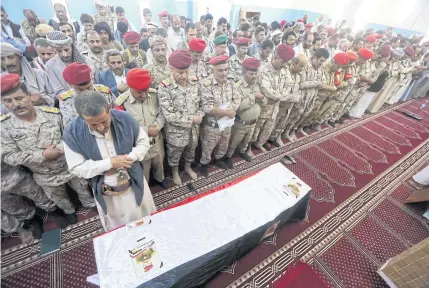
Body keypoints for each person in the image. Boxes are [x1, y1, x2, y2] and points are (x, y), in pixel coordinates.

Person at [1, 74, 95, 226]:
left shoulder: (53, 114)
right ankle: (69, 212)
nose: (15, 104)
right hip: (44, 176)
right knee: (58, 198)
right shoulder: (4, 127)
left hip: (69, 166)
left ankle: (89, 204)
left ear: (29, 96)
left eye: (19, 98)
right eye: (8, 101)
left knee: (83, 189)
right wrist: (42, 155)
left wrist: (59, 149)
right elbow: (9, 156)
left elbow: (72, 136)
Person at [63, 90, 156, 232]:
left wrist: (127, 159)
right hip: (106, 190)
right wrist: (109, 163)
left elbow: (143, 142)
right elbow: (76, 167)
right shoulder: (72, 132)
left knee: (144, 215)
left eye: (103, 121)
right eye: (93, 125)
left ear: (108, 109)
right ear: (82, 118)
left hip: (134, 179)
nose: (101, 128)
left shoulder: (124, 118)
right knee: (118, 224)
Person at [114, 68, 168, 188]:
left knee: (159, 163)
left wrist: (158, 126)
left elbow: (162, 113)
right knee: (143, 170)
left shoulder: (155, 95)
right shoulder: (121, 103)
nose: (144, 95)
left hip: (156, 141)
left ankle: (160, 179)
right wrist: (146, 131)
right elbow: (122, 129)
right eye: (139, 92)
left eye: (146, 90)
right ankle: (145, 187)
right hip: (138, 146)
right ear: (130, 87)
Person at [158, 50, 202, 185]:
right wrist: (192, 120)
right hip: (176, 133)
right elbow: (169, 115)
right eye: (180, 73)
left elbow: (201, 103)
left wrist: (200, 114)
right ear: (171, 69)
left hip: (194, 130)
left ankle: (188, 167)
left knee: (191, 150)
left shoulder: (195, 82)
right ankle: (175, 172)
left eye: (186, 72)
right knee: (174, 154)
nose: (184, 76)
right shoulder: (164, 87)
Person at [200, 55, 241, 175]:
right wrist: (228, 112)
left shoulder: (230, 81)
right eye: (220, 70)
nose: (224, 73)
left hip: (227, 122)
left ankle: (219, 159)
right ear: (212, 70)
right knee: (208, 147)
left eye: (226, 70)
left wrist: (232, 110)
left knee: (224, 143)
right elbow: (207, 107)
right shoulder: (206, 84)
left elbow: (237, 97)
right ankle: (204, 164)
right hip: (212, 125)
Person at [1, 159, 61, 240]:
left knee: (36, 193)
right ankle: (32, 217)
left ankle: (53, 210)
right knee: (13, 207)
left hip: (11, 175)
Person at [250, 44, 294, 151]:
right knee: (256, 129)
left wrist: (282, 95)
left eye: (286, 63)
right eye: (283, 62)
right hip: (263, 106)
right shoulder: (264, 70)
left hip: (275, 107)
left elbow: (289, 84)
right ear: (275, 57)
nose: (285, 65)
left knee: (268, 128)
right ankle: (248, 148)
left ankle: (260, 143)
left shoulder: (284, 68)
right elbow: (269, 92)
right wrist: (285, 96)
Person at [227, 58, 266, 162]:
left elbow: (264, 101)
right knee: (233, 143)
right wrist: (253, 96)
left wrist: (262, 99)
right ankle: (228, 157)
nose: (254, 76)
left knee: (246, 142)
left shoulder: (257, 85)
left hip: (253, 122)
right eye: (251, 74)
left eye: (255, 74)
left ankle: (242, 152)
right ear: (244, 72)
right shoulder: (237, 87)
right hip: (240, 123)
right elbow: (238, 107)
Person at [294, 48, 331, 135]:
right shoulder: (304, 65)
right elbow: (300, 84)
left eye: (324, 61)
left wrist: (317, 84)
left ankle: (294, 130)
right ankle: (284, 132)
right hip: (301, 97)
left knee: (304, 116)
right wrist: (316, 83)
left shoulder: (320, 68)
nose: (322, 63)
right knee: (294, 116)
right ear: (314, 57)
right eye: (321, 60)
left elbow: (323, 82)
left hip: (311, 97)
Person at [310, 53, 351, 129]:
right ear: (333, 61)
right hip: (315, 97)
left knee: (317, 113)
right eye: (338, 66)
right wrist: (331, 88)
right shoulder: (322, 68)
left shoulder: (332, 71)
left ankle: (308, 125)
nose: (338, 69)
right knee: (309, 113)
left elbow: (332, 83)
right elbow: (319, 84)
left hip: (324, 97)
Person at [341, 48, 375, 117]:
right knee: (341, 103)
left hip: (353, 87)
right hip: (344, 87)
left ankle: (339, 116)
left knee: (347, 103)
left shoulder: (357, 66)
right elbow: (348, 78)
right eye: (363, 59)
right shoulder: (350, 64)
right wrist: (359, 79)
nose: (363, 62)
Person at [282, 54, 309, 141]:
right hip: (282, 104)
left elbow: (301, 85)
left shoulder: (298, 74)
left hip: (292, 104)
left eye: (304, 67)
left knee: (284, 121)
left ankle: (279, 135)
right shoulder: (285, 72)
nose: (303, 69)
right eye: (301, 66)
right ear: (294, 63)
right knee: (276, 122)